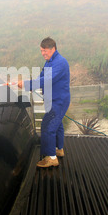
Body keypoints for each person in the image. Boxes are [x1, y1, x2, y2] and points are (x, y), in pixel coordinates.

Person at [18, 37, 71, 168]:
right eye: (41, 51)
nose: (43, 53)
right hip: (54, 99)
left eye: (45, 51)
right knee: (57, 125)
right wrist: (30, 83)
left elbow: (46, 80)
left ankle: (52, 158)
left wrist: (26, 84)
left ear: (53, 49)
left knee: (48, 127)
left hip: (58, 101)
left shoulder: (60, 63)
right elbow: (41, 77)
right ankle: (59, 149)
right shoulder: (49, 61)